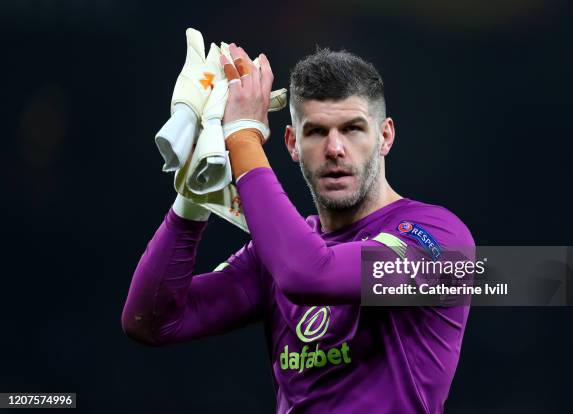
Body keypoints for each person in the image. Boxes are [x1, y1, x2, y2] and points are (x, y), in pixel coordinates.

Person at [122, 44, 475, 413]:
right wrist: (193, 198)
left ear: (385, 137)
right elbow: (151, 321)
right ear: (292, 143)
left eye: (353, 129)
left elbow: (311, 275)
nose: (335, 148)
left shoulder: (438, 237)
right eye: (317, 131)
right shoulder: (276, 254)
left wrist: (242, 137)